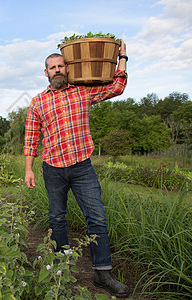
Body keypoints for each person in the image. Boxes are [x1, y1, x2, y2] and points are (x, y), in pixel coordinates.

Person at [23, 40, 130, 298]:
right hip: (52, 168)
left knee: (97, 218)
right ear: (46, 73)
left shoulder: (83, 92)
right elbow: (30, 137)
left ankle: (102, 273)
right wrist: (29, 169)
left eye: (61, 66)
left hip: (82, 166)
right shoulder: (38, 102)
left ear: (67, 69)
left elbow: (116, 87)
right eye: (52, 67)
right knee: (57, 218)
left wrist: (123, 57)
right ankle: (61, 268)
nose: (57, 70)